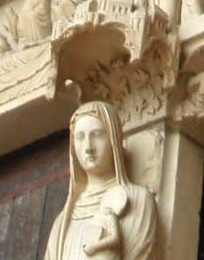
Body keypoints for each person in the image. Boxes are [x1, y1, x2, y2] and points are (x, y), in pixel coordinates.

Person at [43, 101, 160, 260]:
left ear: (114, 140)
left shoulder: (137, 200)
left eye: (96, 134)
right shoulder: (61, 223)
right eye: (80, 137)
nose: (88, 147)